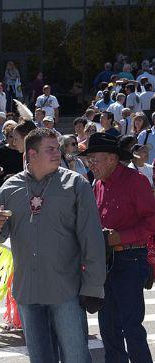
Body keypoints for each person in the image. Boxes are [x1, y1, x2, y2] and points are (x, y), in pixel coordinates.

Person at [0, 128, 106, 363]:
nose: (58, 153)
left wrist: (93, 287)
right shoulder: (10, 187)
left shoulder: (76, 185)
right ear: (31, 154)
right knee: (40, 359)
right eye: (50, 149)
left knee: (76, 358)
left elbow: (92, 240)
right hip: (27, 293)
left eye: (58, 149)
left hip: (65, 291)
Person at [81, 132, 155, 363]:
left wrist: (120, 237)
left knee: (131, 326)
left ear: (112, 158)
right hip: (106, 262)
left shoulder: (136, 181)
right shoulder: (97, 184)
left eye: (94, 158)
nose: (90, 164)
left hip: (130, 259)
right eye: (89, 159)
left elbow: (152, 221)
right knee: (108, 327)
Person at [0, 121, 22, 185]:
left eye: (15, 137)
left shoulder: (23, 151)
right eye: (11, 136)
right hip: (4, 184)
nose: (13, 139)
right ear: (6, 137)